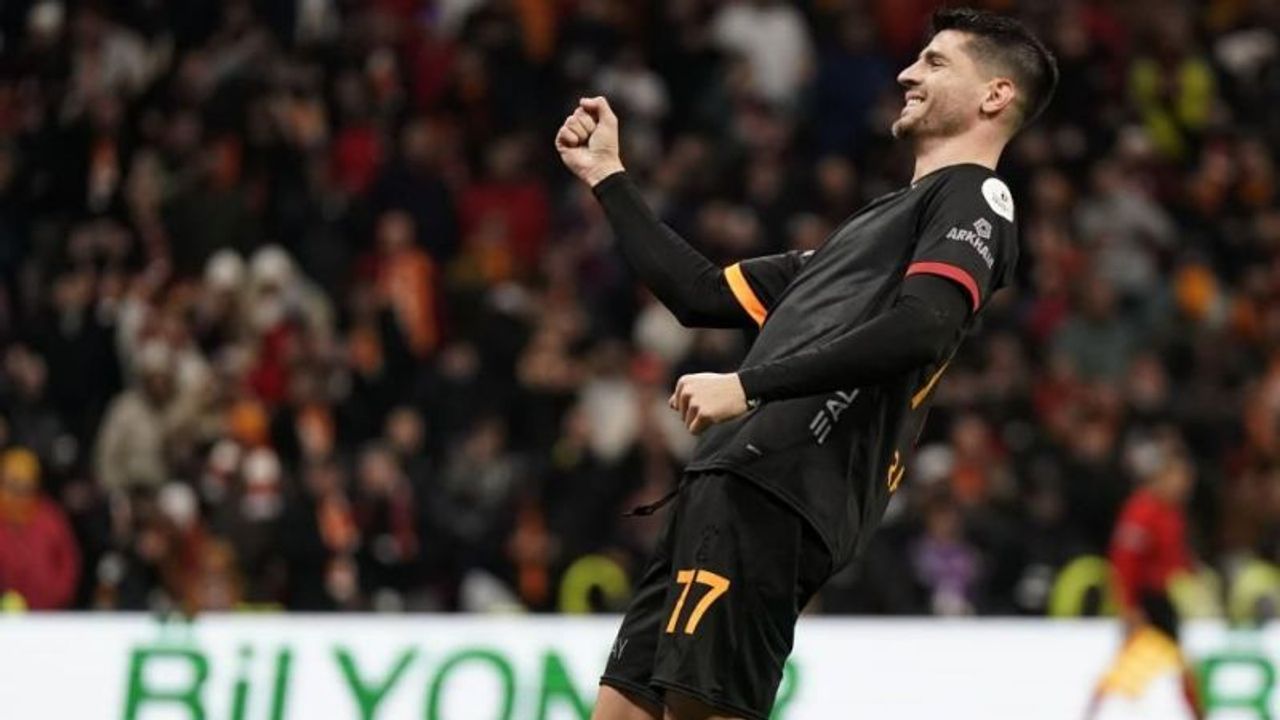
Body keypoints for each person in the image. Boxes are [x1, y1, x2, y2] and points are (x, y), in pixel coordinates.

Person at [555, 8, 1057, 720]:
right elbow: (700, 294)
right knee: (622, 711)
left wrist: (748, 387)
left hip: (781, 488)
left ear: (995, 95)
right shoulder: (870, 231)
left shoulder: (977, 196)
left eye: (936, 62)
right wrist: (608, 175)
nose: (907, 73)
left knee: (702, 709)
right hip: (725, 481)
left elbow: (922, 328)